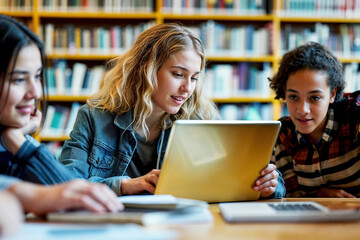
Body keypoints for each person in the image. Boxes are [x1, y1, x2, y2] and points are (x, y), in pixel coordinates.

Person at [60, 23, 285, 199]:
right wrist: (125, 185)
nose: (187, 88)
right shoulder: (93, 116)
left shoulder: (200, 120)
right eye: (178, 74)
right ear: (146, 70)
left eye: (194, 78)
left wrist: (266, 187)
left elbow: (233, 182)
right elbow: (64, 184)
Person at [0, 13, 122, 231]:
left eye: (38, 76)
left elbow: (72, 197)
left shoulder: (9, 140)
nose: (35, 92)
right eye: (18, 79)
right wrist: (26, 192)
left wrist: (20, 142)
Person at [269, 42, 360, 197]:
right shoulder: (283, 135)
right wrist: (318, 195)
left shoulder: (354, 119)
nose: (302, 110)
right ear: (284, 92)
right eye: (293, 97)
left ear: (332, 94)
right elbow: (291, 199)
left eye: (315, 97)